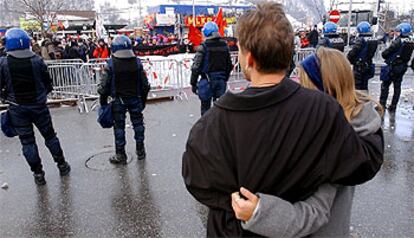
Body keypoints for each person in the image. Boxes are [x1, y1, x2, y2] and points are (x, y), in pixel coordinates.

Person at [181, 3, 383, 237]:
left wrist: (240, 200)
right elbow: (360, 164)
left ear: (249, 59)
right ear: (288, 53)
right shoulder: (324, 111)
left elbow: (198, 183)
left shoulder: (212, 124)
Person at [231, 47, 383, 237]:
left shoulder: (330, 141)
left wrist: (258, 213)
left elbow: (314, 213)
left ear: (321, 90)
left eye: (303, 82)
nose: (297, 89)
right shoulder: (346, 130)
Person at [0, 28, 70, 185]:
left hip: (17, 108)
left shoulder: (4, 63)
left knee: (27, 142)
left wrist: (6, 97)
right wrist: (41, 96)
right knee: (50, 136)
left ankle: (38, 174)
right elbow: (48, 84)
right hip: (39, 106)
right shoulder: (37, 60)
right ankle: (62, 165)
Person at [97, 35, 150, 164]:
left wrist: (103, 102)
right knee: (138, 124)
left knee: (119, 127)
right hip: (135, 99)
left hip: (118, 100)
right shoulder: (137, 63)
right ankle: (141, 151)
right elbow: (145, 85)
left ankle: (121, 154)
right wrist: (143, 100)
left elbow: (103, 87)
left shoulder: (111, 64)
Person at [190, 21, 233, 115]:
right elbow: (229, 65)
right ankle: (219, 128)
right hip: (221, 81)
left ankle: (207, 129)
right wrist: (224, 78)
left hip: (207, 82)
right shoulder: (224, 46)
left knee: (206, 110)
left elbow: (195, 67)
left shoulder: (203, 47)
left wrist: (193, 83)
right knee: (220, 110)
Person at [379, 23, 414, 112]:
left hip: (393, 66)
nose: (396, 33)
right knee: (397, 87)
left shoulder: (398, 41)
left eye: (398, 31)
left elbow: (387, 53)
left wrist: (384, 55)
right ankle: (393, 106)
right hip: (403, 66)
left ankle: (382, 105)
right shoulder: (411, 40)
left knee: (385, 86)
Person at [347, 21, 378, 93]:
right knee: (365, 85)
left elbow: (354, 51)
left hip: (359, 66)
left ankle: (358, 102)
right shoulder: (373, 39)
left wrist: (349, 59)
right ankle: (365, 100)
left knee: (357, 86)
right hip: (368, 64)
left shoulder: (361, 39)